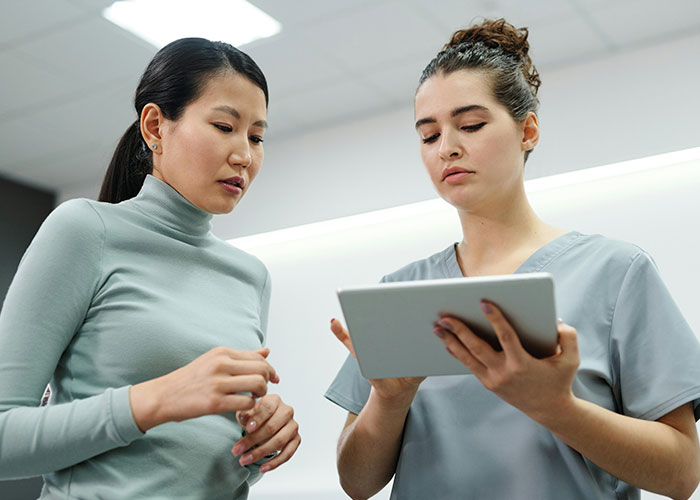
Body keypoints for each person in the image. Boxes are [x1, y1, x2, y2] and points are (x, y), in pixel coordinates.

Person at [326, 19, 700, 500]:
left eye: (471, 125)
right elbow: (357, 483)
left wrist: (556, 407)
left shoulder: (616, 273)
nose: (448, 148)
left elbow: (681, 473)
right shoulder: (399, 292)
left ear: (528, 130)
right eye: (428, 135)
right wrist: (388, 400)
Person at [0, 38, 300, 499]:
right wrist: (154, 400)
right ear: (155, 126)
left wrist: (260, 444)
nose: (244, 154)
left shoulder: (251, 276)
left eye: (257, 137)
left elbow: (195, 456)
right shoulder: (85, 230)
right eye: (224, 126)